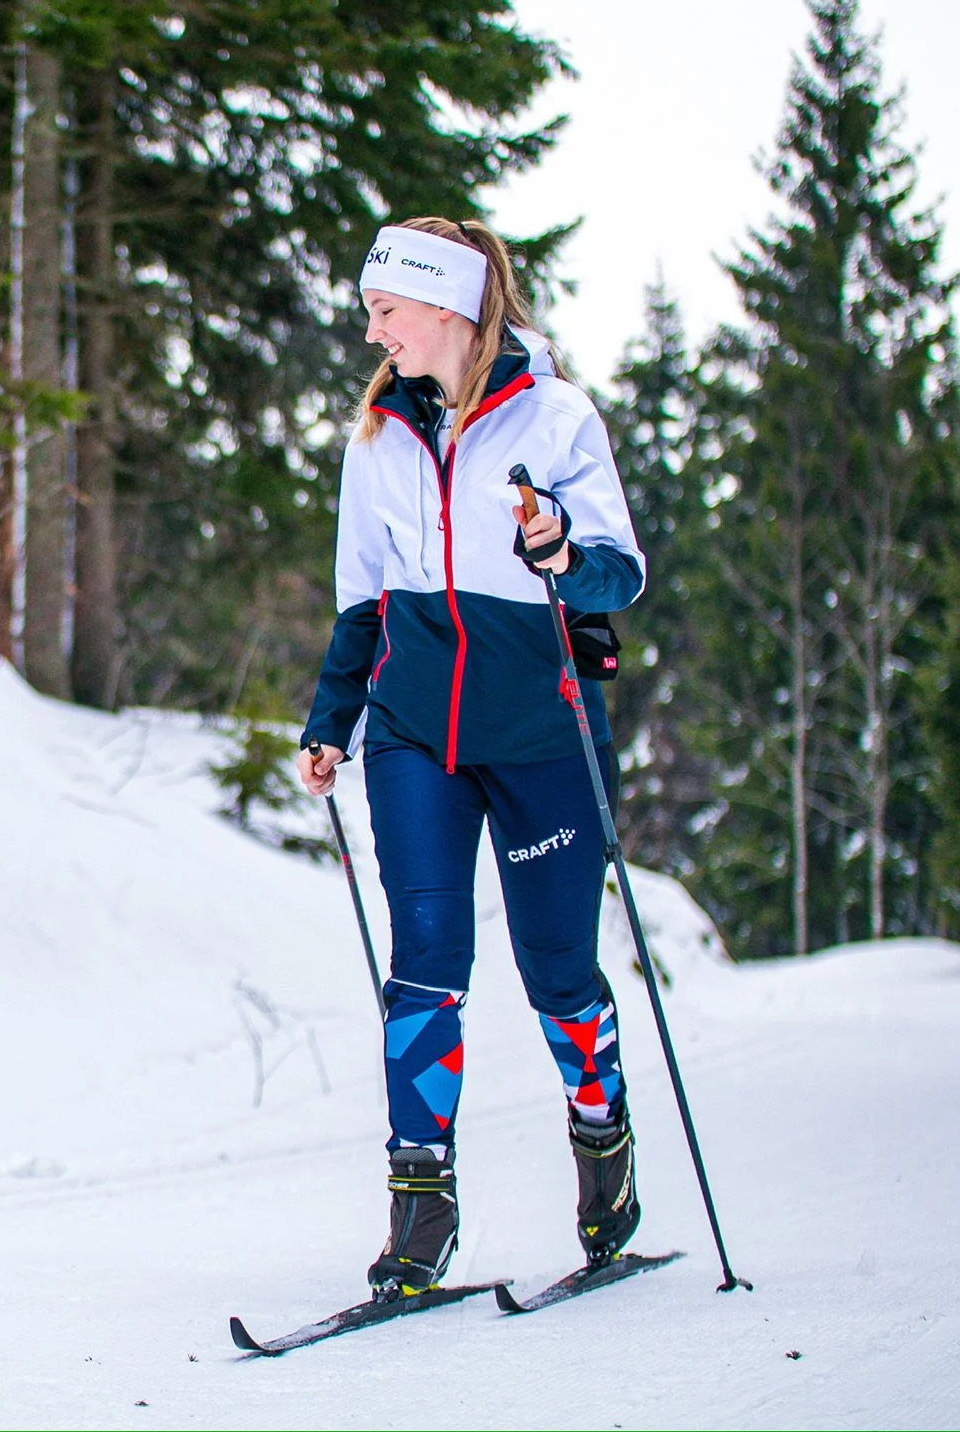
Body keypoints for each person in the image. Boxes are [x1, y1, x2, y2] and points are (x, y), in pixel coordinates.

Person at [296, 218, 648, 1297]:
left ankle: (604, 1155)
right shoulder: (376, 439)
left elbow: (616, 576)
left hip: (541, 730)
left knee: (557, 968)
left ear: (448, 308)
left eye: (385, 312)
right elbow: (363, 598)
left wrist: (556, 545)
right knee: (425, 962)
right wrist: (330, 719)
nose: (372, 333)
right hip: (412, 733)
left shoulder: (558, 416)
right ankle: (420, 1217)